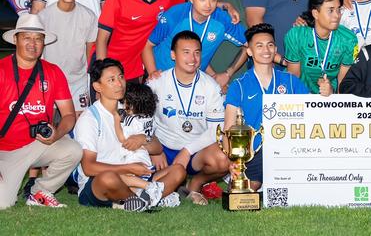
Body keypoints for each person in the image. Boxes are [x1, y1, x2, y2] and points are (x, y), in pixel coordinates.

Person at [74, 59, 185, 211]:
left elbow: (157, 148)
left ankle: (136, 202)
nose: (119, 84)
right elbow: (88, 168)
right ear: (97, 86)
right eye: (111, 80)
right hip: (101, 182)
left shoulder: (129, 108)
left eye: (121, 77)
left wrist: (144, 139)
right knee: (108, 178)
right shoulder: (89, 119)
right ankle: (147, 199)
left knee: (178, 171)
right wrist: (129, 168)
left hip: (136, 177)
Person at [0, 14, 82, 209]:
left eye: (38, 39)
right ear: (15, 39)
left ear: (44, 42)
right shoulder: (2, 70)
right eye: (27, 37)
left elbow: (69, 115)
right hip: (5, 150)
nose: (33, 43)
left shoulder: (53, 71)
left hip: (37, 144)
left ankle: (39, 191)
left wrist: (57, 133)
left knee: (73, 150)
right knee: (3, 204)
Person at [147, 31, 231, 205]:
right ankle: (170, 182)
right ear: (173, 55)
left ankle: (195, 184)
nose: (192, 58)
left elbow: (216, 129)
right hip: (162, 149)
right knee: (132, 154)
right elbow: (141, 122)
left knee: (223, 159)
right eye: (186, 52)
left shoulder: (210, 86)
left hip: (194, 152)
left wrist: (187, 151)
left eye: (197, 52)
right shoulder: (156, 82)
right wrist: (154, 149)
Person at [224, 23, 309, 191]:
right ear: (249, 51)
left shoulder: (291, 81)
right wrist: (232, 162)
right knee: (244, 190)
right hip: (253, 151)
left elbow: (311, 113)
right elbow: (228, 128)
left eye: (270, 45)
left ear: (275, 48)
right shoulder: (239, 85)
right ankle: (250, 181)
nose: (266, 50)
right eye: (259, 46)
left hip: (286, 149)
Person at [142, 0, 247, 90]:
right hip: (162, 78)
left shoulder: (222, 20)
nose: (208, 5)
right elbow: (148, 45)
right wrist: (152, 72)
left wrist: (228, 73)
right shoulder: (175, 15)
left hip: (193, 83)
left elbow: (251, 44)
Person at [96, 0, 184, 82]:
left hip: (133, 72)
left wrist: (221, 4)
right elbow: (102, 40)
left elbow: (194, 3)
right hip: (107, 67)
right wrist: (102, 76)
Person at [38, 0, 96, 115]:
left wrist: (91, 76)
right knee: (47, 125)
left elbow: (90, 49)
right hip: (49, 79)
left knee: (79, 126)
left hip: (78, 80)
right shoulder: (43, 17)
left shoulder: (88, 16)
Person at [285, 0, 358, 96]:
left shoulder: (349, 39)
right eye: (331, 10)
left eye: (339, 9)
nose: (337, 15)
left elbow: (343, 82)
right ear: (315, 13)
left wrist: (332, 95)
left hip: (331, 92)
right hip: (301, 92)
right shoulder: (296, 35)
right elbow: (294, 77)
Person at [205, 0, 249, 81]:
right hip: (203, 76)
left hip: (237, 76)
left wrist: (228, 74)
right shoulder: (199, 4)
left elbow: (249, 42)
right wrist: (213, 75)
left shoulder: (243, 0)